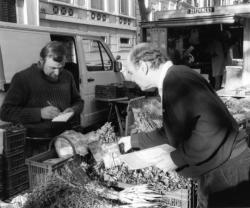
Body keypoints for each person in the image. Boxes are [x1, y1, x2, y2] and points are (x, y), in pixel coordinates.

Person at [119, 43, 250, 207]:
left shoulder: (176, 80)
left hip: (227, 173)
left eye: (131, 72)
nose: (131, 78)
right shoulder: (174, 78)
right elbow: (171, 131)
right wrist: (133, 141)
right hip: (220, 168)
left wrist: (175, 158)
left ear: (144, 67)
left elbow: (210, 130)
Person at [0, 41, 84, 153]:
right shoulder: (23, 78)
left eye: (61, 67)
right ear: (41, 61)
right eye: (52, 68)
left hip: (64, 140)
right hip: (35, 145)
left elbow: (79, 101)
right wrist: (39, 113)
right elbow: (5, 112)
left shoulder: (67, 76)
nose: (57, 73)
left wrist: (73, 110)